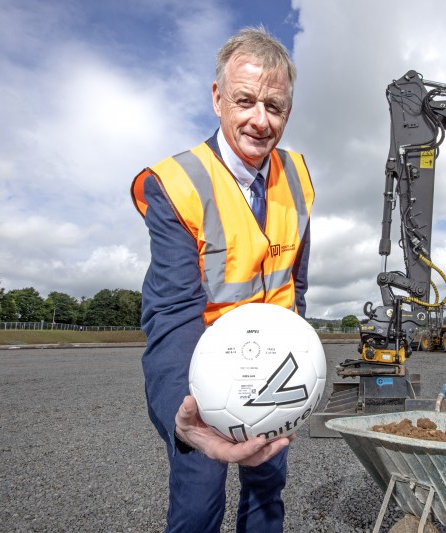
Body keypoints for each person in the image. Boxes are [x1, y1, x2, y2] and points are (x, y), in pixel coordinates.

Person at [130, 27, 313, 533]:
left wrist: (298, 369)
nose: (260, 119)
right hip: (205, 385)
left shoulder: (298, 176)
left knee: (267, 494)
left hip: (274, 382)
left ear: (288, 112)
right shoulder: (177, 183)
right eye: (245, 100)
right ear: (217, 98)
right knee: (197, 508)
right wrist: (183, 418)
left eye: (274, 107)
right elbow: (171, 309)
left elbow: (296, 283)